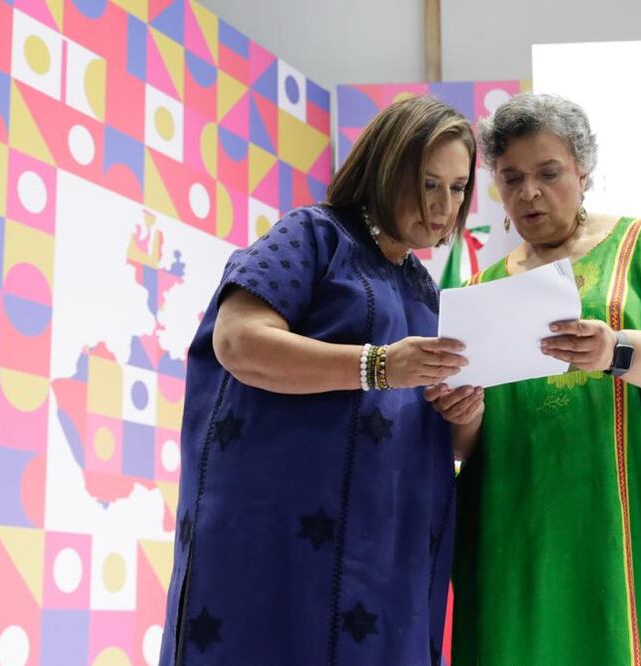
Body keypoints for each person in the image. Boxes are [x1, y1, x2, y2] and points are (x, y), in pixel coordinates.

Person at [426, 93, 641, 664]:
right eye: (512, 178)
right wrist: (464, 417)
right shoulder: (478, 293)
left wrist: (617, 350)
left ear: (583, 171)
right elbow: (467, 446)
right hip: (526, 541)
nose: (530, 192)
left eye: (548, 172)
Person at [156, 96, 477, 665]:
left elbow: (443, 440)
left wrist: (465, 413)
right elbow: (238, 341)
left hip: (383, 562)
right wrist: (379, 366)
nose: (443, 206)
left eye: (457, 188)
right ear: (386, 167)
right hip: (279, 550)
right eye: (429, 183)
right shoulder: (314, 236)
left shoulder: (426, 291)